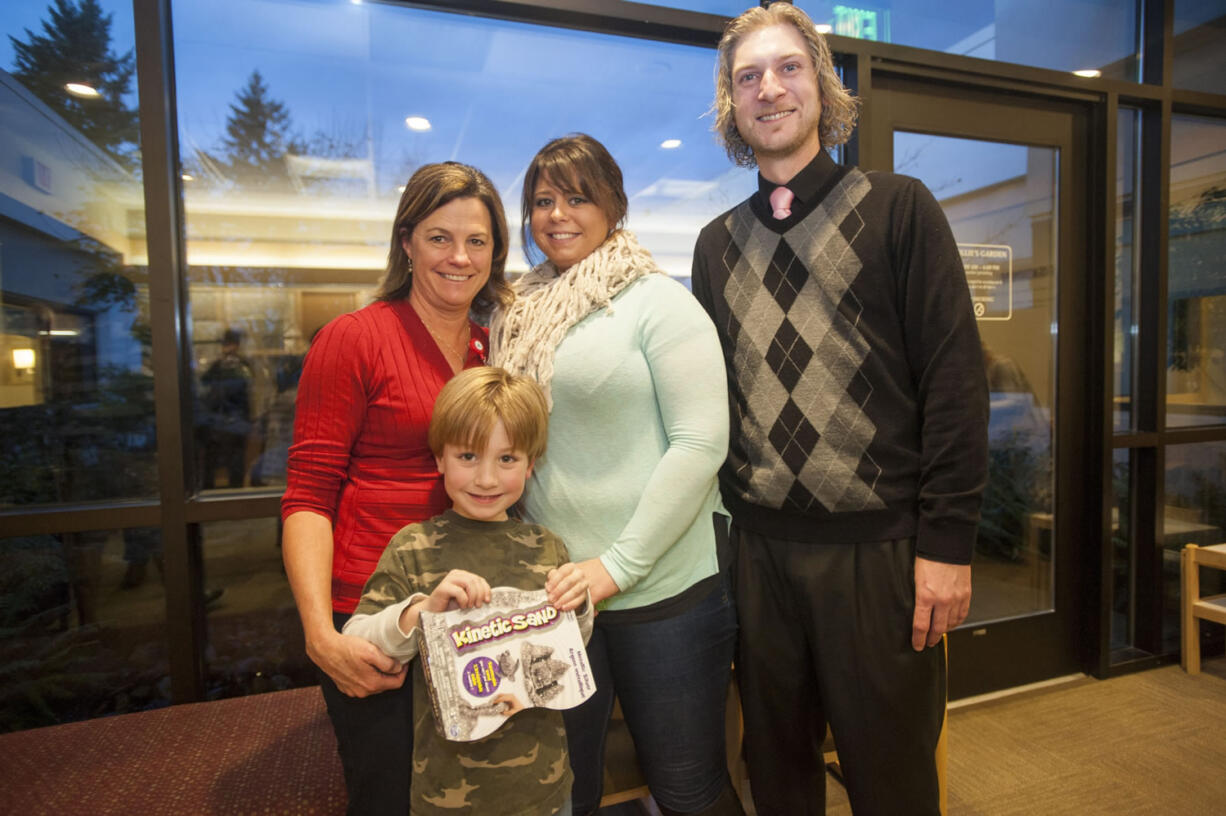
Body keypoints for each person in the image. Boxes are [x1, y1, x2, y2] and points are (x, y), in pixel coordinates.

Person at [690, 6, 990, 815]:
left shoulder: (899, 208)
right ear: (731, 106)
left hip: (880, 556)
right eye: (747, 77)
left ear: (822, 87)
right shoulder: (715, 245)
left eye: (789, 68)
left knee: (891, 778)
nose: (770, 89)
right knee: (778, 775)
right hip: (761, 556)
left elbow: (956, 385)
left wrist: (948, 544)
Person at [489, 134, 744, 816]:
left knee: (686, 788)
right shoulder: (514, 317)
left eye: (577, 197)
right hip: (556, 597)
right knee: (564, 791)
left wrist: (618, 566)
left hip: (664, 589)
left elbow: (700, 444)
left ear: (613, 207)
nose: (557, 214)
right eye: (543, 200)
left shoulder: (657, 303)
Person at [281, 161, 512, 815]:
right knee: (391, 796)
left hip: (475, 610)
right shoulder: (353, 340)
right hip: (378, 615)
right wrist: (321, 635)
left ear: (496, 251)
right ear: (406, 241)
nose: (459, 257)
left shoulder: (496, 348)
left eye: (478, 241)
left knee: (476, 793)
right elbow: (307, 498)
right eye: (440, 237)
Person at [342, 365, 593, 816]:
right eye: (468, 457)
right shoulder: (412, 548)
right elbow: (358, 639)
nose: (486, 479)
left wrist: (580, 603)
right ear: (439, 457)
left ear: (531, 464)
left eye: (507, 459)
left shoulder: (546, 546)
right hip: (447, 796)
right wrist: (422, 611)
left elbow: (569, 650)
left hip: (544, 789)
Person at [200, 328, 254, 488]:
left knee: (232, 462)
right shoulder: (223, 365)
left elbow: (248, 389)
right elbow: (205, 382)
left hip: (231, 421)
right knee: (216, 462)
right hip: (222, 421)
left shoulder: (241, 365)